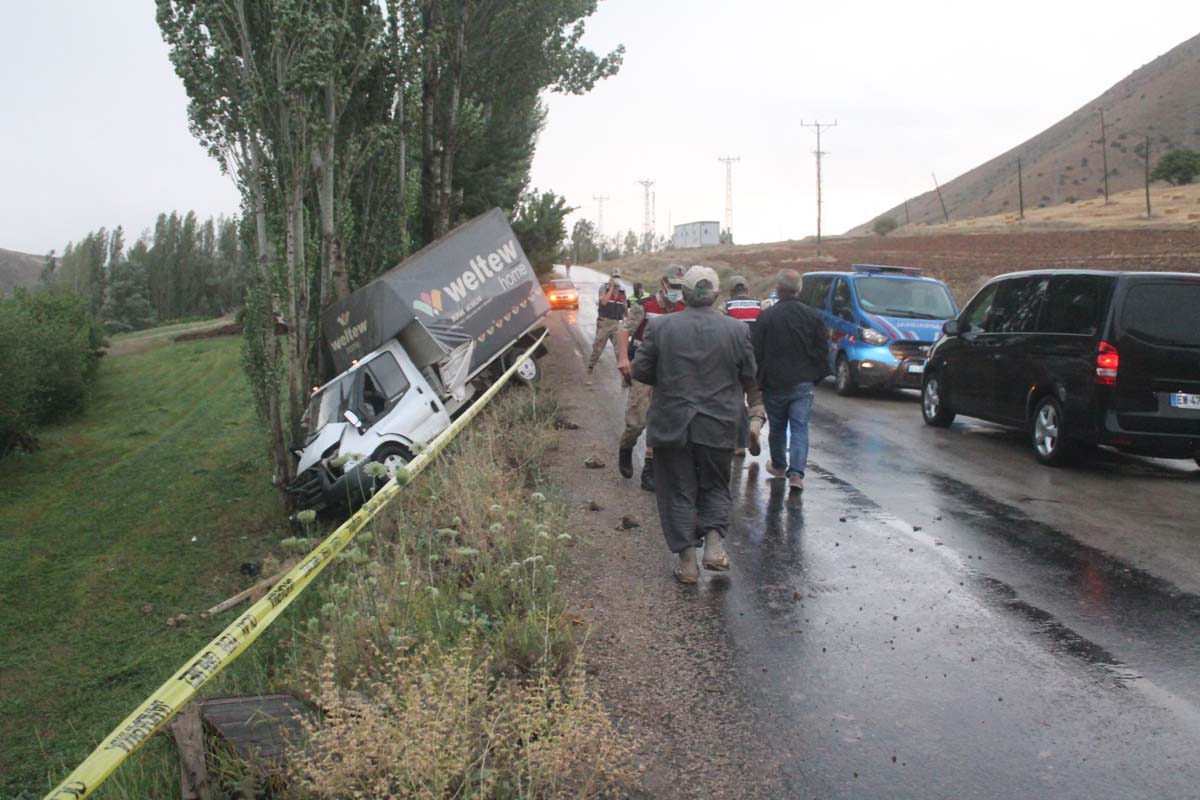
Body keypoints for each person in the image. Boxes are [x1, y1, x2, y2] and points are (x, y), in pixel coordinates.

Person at [631, 265, 757, 584]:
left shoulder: (661, 327)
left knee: (676, 490)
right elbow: (749, 375)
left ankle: (687, 563)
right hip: (720, 424)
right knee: (716, 484)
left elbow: (641, 371)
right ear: (716, 295)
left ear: (684, 294)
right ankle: (714, 546)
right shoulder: (738, 330)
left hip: (673, 423)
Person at [751, 269, 831, 493]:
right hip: (803, 383)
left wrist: (758, 378)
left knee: (777, 427)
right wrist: (815, 376)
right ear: (799, 289)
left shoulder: (766, 317)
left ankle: (778, 465)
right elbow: (822, 350)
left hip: (774, 383)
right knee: (799, 428)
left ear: (778, 288)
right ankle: (796, 474)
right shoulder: (813, 316)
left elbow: (756, 351)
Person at [615, 264, 687, 490]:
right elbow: (624, 331)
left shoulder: (683, 307)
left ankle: (650, 469)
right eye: (674, 286)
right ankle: (626, 448)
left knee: (662, 421)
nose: (677, 291)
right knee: (637, 422)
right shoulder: (645, 306)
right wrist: (623, 358)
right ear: (663, 284)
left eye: (681, 287)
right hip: (643, 368)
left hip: (671, 371)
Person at [719, 275, 766, 457]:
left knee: (735, 401)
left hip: (732, 363)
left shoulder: (726, 308)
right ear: (747, 290)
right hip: (756, 362)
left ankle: (738, 445)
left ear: (731, 292)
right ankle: (754, 426)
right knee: (757, 400)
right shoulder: (760, 307)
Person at [587, 269, 627, 383]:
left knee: (620, 350)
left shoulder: (622, 290)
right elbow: (603, 302)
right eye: (615, 276)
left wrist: (626, 317)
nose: (617, 278)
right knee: (598, 349)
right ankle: (590, 370)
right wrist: (611, 288)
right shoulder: (604, 288)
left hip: (617, 323)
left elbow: (624, 305)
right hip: (604, 323)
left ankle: (624, 377)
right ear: (610, 277)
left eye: (618, 276)